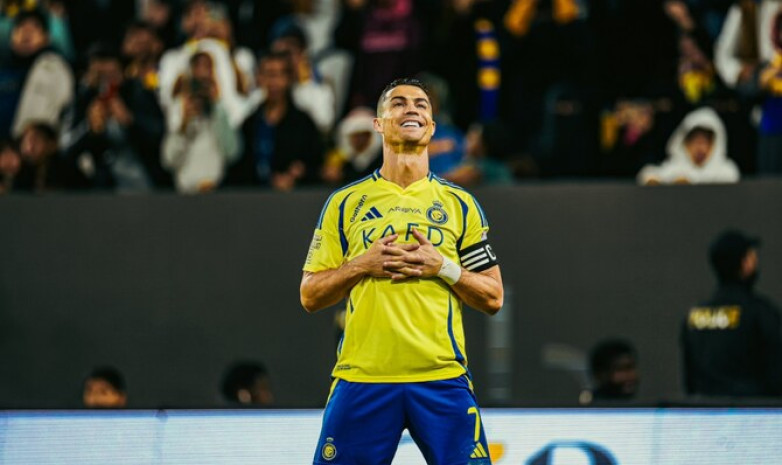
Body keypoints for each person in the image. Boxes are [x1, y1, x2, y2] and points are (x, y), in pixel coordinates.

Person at [300, 78, 503, 465]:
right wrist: (362, 264)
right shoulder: (344, 203)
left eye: (421, 105)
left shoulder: (460, 204)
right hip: (363, 378)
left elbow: (493, 297)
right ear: (379, 124)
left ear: (432, 127)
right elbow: (310, 295)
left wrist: (442, 266)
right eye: (399, 103)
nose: (412, 109)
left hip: (442, 378)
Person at [681, 230, 782, 397]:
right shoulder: (760, 313)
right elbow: (776, 374)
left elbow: (689, 381)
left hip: (705, 409)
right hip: (754, 409)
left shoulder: (695, 316)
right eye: (752, 257)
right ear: (746, 264)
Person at [637, 106, 739, 185]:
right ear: (684, 142)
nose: (700, 148)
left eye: (706, 142)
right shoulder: (675, 169)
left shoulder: (726, 171)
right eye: (696, 141)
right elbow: (648, 174)